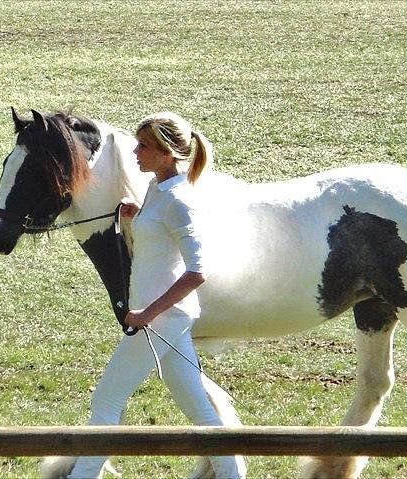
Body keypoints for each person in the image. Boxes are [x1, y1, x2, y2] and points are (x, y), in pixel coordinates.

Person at [68, 112, 245, 479]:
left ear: (166, 153)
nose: (135, 152)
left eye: (144, 146)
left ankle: (81, 476)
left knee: (107, 400)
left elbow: (197, 271)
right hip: (170, 320)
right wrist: (137, 216)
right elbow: (160, 237)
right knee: (200, 410)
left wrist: (147, 313)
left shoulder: (179, 200)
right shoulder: (158, 190)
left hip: (161, 320)